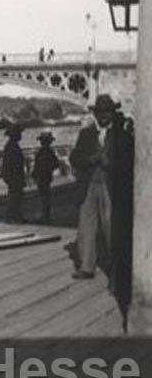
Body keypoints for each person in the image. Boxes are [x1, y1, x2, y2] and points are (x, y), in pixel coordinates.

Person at [69, 95, 134, 286]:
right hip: (89, 186)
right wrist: (90, 159)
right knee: (86, 227)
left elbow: (129, 162)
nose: (104, 116)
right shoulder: (85, 134)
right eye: (100, 112)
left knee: (110, 227)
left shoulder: (122, 136)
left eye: (107, 112)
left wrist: (111, 163)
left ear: (112, 113)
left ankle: (116, 270)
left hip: (110, 185)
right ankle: (87, 267)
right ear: (95, 114)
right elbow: (74, 158)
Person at [31, 131, 59, 223]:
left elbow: (37, 165)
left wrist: (34, 174)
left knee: (44, 196)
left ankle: (45, 215)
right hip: (46, 176)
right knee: (46, 196)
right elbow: (56, 164)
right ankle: (46, 214)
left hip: (41, 176)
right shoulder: (49, 151)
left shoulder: (41, 151)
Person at [0, 122, 25, 223]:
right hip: (14, 176)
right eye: (19, 133)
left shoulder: (11, 145)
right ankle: (13, 216)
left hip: (12, 175)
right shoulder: (12, 147)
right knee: (16, 196)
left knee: (15, 196)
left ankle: (14, 216)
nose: (20, 135)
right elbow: (14, 164)